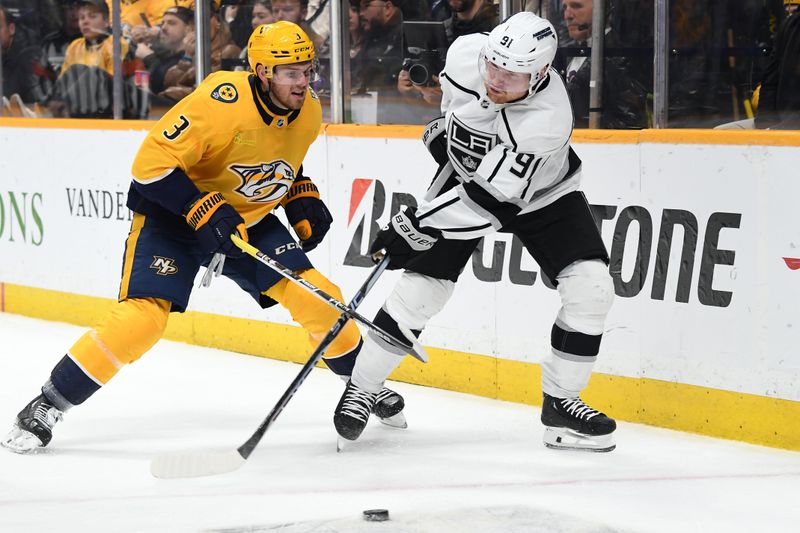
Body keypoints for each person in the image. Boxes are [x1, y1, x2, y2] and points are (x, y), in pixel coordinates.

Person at [1, 21, 404, 454]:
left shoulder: (306, 111)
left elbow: (274, 161)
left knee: (318, 295)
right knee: (143, 319)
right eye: (292, 72)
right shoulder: (221, 101)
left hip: (245, 222)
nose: (304, 82)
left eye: (308, 70)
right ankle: (47, 403)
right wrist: (200, 207)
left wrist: (298, 193)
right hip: (174, 218)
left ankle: (363, 385)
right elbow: (150, 164)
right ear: (263, 72)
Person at [333, 12, 618, 452]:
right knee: (420, 291)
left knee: (591, 287)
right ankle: (362, 387)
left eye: (513, 73)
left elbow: (488, 203)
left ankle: (562, 404)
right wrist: (444, 134)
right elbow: (452, 107)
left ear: (541, 73)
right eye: (494, 65)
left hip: (541, 194)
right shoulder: (467, 52)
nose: (497, 79)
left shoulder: (547, 118)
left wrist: (415, 224)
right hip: (469, 178)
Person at [558, 0, 647, 129]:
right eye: (565, 8)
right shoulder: (568, 52)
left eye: (576, 6)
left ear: (604, 10)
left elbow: (628, 121)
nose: (567, 15)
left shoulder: (619, 58)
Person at [47, 0, 133, 118]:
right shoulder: (75, 46)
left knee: (82, 71)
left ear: (106, 21)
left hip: (106, 107)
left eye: (92, 17)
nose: (85, 21)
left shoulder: (116, 44)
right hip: (78, 104)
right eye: (81, 18)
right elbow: (64, 80)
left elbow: (111, 84)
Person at [755, 0, 800, 129]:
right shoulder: (790, 25)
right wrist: (764, 123)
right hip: (784, 123)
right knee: (720, 133)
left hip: (791, 126)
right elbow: (770, 79)